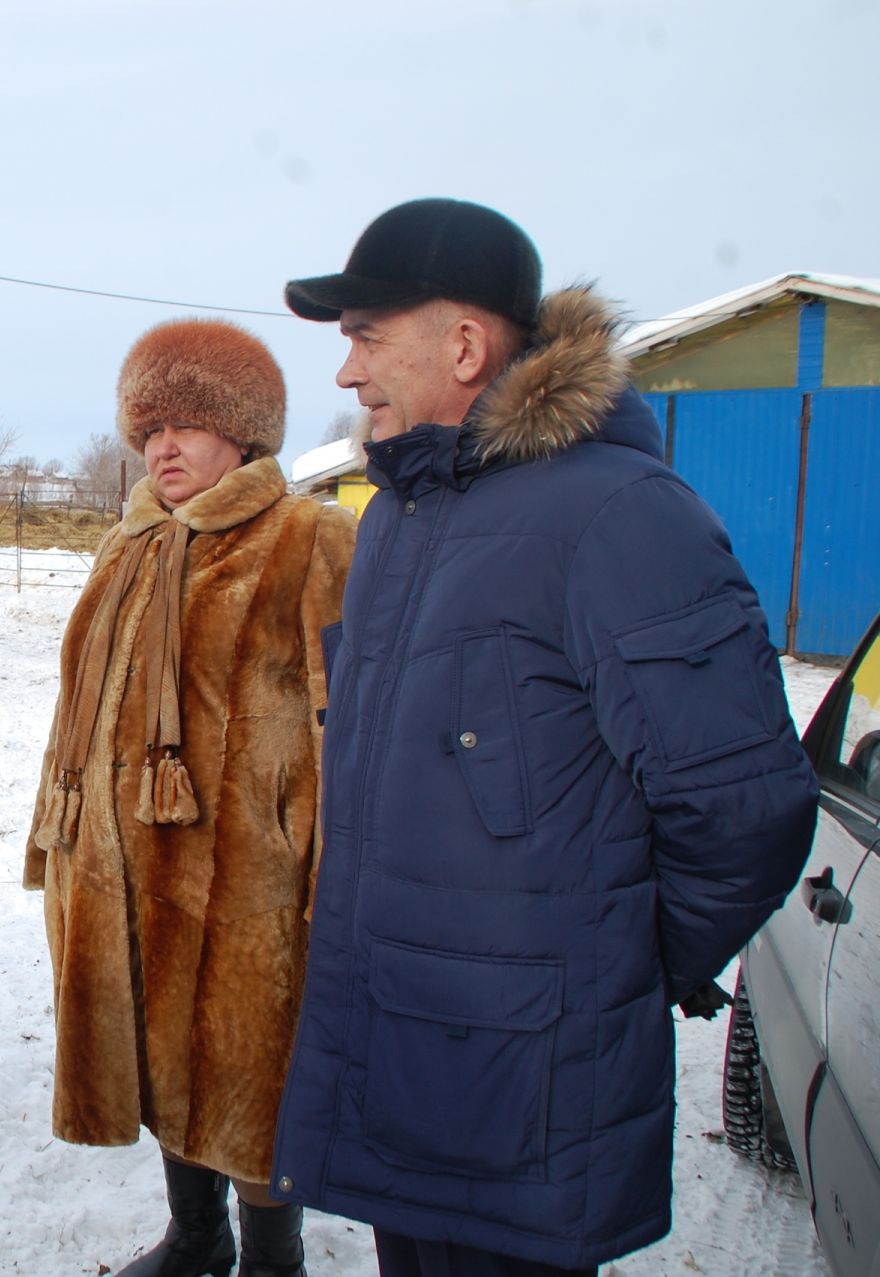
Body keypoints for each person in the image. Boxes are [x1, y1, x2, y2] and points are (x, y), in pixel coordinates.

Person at [270, 198, 820, 1276]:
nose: (346, 372)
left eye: (368, 335)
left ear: (466, 344)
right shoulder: (399, 523)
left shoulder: (620, 516)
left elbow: (745, 806)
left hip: (526, 1082)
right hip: (404, 1050)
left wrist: (614, 962)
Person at [26, 319, 355, 1277]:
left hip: (250, 884)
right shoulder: (128, 544)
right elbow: (74, 704)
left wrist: (331, 868)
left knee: (251, 1081)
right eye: (149, 429)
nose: (163, 448)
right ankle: (195, 1234)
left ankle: (270, 1258)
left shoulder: (311, 540)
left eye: (186, 426)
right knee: (162, 1066)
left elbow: (353, 725)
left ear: (245, 432)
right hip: (121, 869)